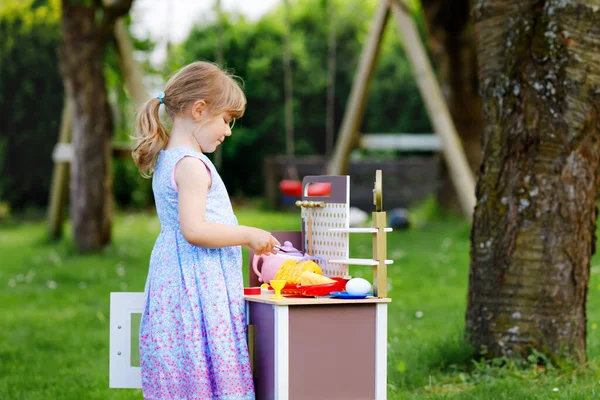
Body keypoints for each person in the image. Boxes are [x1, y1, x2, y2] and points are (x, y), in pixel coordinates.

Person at [131, 61, 279, 399]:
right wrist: (247, 234)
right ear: (199, 110)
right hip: (197, 283)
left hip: (183, 281)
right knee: (206, 357)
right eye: (226, 121)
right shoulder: (191, 166)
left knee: (189, 363)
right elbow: (194, 230)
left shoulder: (172, 158)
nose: (227, 132)